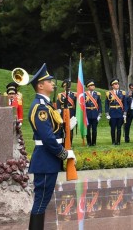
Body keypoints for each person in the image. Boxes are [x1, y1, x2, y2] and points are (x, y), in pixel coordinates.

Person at [27, 63, 75, 230]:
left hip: (47, 160)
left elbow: (53, 130)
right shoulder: (40, 107)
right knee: (41, 201)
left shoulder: (46, 105)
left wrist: (67, 126)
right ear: (40, 85)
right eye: (49, 80)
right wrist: (63, 153)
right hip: (46, 160)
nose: (52, 82)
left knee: (42, 200)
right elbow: (47, 138)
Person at [106, 79, 126, 146]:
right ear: (112, 86)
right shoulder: (109, 93)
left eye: (117, 84)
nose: (117, 85)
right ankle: (113, 141)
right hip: (112, 112)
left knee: (119, 128)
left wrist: (125, 113)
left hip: (120, 112)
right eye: (115, 84)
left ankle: (118, 141)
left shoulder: (122, 93)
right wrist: (107, 113)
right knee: (113, 128)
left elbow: (125, 104)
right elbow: (106, 104)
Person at [84, 80, 101, 146]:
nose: (93, 86)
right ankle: (88, 142)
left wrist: (99, 114)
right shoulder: (84, 94)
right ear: (88, 87)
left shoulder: (97, 94)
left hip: (95, 113)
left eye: (93, 85)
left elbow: (99, 105)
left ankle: (94, 142)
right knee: (88, 130)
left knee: (94, 129)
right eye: (91, 85)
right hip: (87, 114)